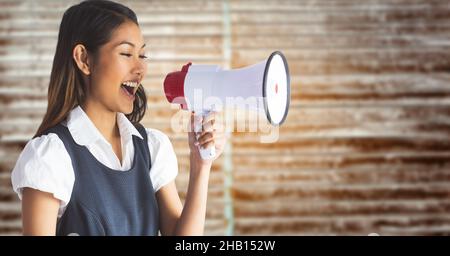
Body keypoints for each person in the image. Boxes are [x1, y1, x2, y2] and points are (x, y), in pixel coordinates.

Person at [10, 0, 226, 236]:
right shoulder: (50, 156)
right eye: (126, 53)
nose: (140, 68)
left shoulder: (152, 148)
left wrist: (201, 165)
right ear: (83, 59)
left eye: (142, 55)